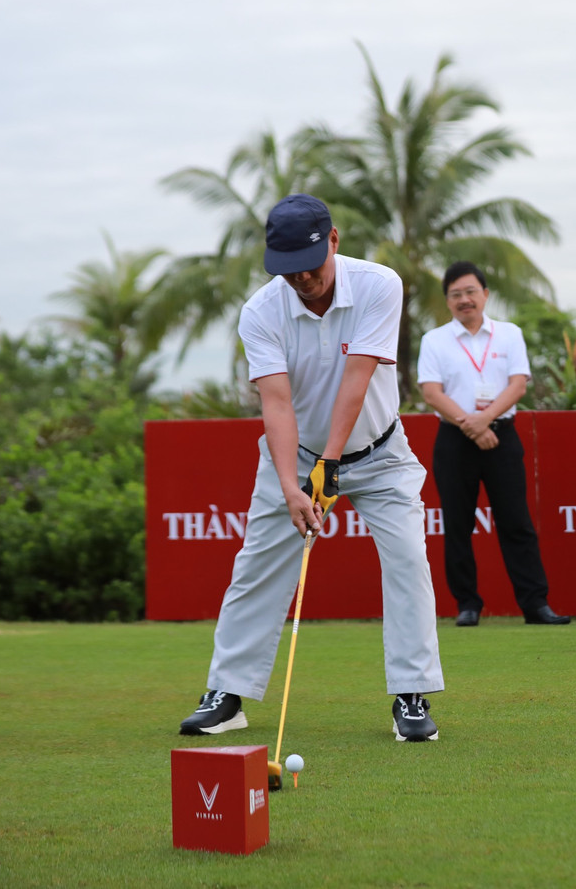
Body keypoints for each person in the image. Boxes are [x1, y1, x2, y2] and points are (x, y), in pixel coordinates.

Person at [179, 193, 444, 743]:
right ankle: (226, 695)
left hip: (381, 453)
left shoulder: (378, 284)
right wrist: (292, 486)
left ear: (334, 241)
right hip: (295, 459)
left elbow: (358, 378)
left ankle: (411, 696)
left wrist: (329, 463)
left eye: (311, 264)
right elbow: (275, 403)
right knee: (255, 568)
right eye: (288, 269)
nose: (302, 278)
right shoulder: (261, 311)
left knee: (408, 562)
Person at [417, 261, 570, 627]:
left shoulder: (508, 334)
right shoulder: (434, 340)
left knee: (516, 522)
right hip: (455, 439)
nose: (464, 300)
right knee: (457, 524)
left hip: (502, 434)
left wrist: (485, 420)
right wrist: (472, 425)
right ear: (448, 301)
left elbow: (518, 385)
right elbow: (432, 393)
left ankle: (535, 604)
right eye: (456, 294)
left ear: (485, 294)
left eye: (471, 292)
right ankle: (467, 605)